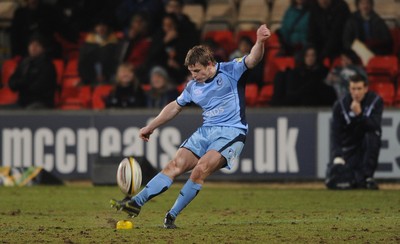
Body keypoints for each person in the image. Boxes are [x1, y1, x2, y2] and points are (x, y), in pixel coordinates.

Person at [111, 24, 271, 228]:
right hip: (206, 131)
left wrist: (260, 41)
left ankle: (171, 215)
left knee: (200, 169)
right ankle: (136, 203)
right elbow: (174, 107)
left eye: (197, 71)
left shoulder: (231, 70)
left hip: (232, 132)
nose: (194, 76)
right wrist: (151, 126)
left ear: (210, 64)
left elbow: (253, 58)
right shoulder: (193, 87)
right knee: (173, 165)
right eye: (191, 71)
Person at [326, 74, 383, 190]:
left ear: (366, 89)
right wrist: (337, 156)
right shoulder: (340, 105)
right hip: (349, 148)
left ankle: (368, 177)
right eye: (353, 89)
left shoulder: (375, 101)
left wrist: (360, 115)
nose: (356, 93)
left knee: (372, 134)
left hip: (365, 146)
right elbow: (335, 133)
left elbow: (375, 126)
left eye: (359, 89)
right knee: (336, 179)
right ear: (349, 89)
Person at [272, 46, 336, 106]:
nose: (310, 58)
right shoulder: (297, 71)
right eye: (307, 56)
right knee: (280, 76)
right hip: (297, 98)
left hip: (315, 100)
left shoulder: (323, 71)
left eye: (312, 55)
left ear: (316, 57)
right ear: (303, 57)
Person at [8, 35, 57, 109]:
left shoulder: (47, 65)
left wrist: (20, 84)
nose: (33, 48)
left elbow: (38, 87)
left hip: (41, 102)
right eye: (31, 45)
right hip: (22, 102)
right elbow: (12, 82)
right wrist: (23, 82)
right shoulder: (24, 63)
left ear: (43, 48)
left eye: (37, 45)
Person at [78, 20, 118, 85]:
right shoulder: (86, 45)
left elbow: (116, 62)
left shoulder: (114, 44)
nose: (101, 28)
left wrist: (107, 75)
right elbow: (82, 63)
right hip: (90, 79)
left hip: (109, 79)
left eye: (103, 25)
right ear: (94, 28)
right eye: (98, 25)